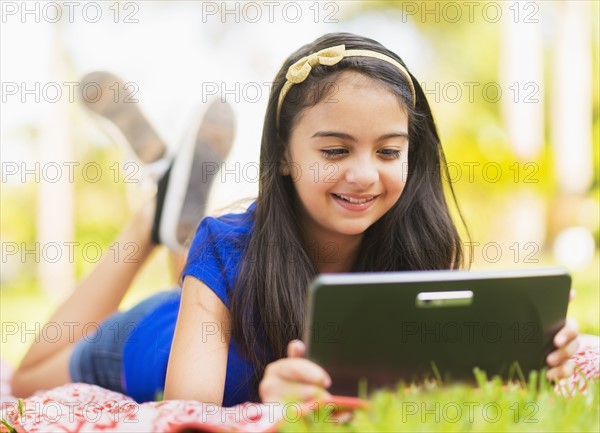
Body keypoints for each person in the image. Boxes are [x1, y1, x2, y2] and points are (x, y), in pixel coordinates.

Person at [11, 32, 580, 407]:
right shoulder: (228, 245)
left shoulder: (419, 246)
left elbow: (450, 384)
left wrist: (531, 355)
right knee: (26, 377)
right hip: (153, 338)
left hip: (228, 288)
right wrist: (269, 405)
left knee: (219, 255)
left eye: (388, 151)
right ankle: (153, 215)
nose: (364, 175)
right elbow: (191, 413)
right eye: (334, 151)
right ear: (283, 155)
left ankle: (169, 208)